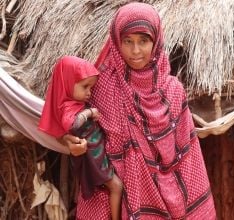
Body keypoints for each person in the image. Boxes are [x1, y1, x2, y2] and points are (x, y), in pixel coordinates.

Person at [62, 2, 216, 219]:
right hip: (109, 200)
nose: (135, 51)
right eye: (128, 41)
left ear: (156, 40)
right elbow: (73, 124)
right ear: (116, 42)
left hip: (167, 201)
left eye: (143, 41)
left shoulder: (173, 90)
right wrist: (69, 141)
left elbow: (188, 155)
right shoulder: (101, 86)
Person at [38, 56, 123, 220]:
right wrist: (89, 112)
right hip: (94, 158)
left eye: (91, 87)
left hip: (97, 155)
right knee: (116, 186)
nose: (89, 92)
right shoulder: (68, 108)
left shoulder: (74, 104)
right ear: (68, 83)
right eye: (85, 86)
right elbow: (73, 125)